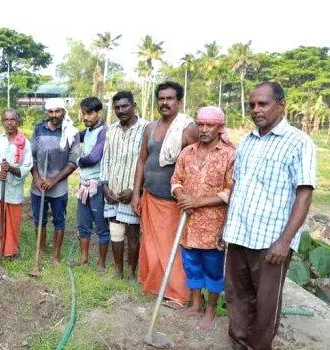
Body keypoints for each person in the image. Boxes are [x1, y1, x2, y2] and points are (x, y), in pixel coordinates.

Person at [223, 82, 316, 349]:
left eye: (263, 104)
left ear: (281, 105)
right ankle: (238, 342)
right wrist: (226, 227)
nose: (256, 110)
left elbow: (304, 194)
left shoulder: (299, 142)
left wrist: (285, 241)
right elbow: (237, 187)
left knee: (266, 303)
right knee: (237, 295)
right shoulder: (247, 142)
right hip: (239, 234)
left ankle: (258, 346)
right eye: (252, 105)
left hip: (271, 240)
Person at [131, 81, 197, 309]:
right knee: (150, 243)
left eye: (170, 99)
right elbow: (141, 161)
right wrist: (136, 194)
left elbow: (196, 164)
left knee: (172, 247)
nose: (165, 103)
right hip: (150, 196)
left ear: (179, 102)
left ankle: (178, 294)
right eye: (161, 99)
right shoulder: (149, 128)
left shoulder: (188, 129)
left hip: (173, 201)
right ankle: (155, 285)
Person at [171, 106, 235, 330]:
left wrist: (198, 202)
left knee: (213, 268)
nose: (204, 129)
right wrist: (181, 195)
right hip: (187, 224)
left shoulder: (230, 155)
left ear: (220, 127)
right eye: (201, 124)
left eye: (210, 125)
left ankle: (211, 310)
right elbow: (176, 180)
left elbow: (231, 191)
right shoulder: (187, 152)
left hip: (214, 226)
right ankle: (197, 303)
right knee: (191, 264)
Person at [100, 91, 148, 279]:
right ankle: (119, 270)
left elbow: (148, 161)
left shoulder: (146, 129)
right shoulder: (111, 130)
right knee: (115, 231)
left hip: (132, 192)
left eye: (124, 106)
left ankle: (132, 271)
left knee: (133, 234)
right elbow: (106, 160)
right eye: (117, 107)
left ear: (133, 105)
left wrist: (137, 190)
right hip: (112, 190)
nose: (121, 110)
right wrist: (105, 187)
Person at [30, 98, 80, 265]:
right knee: (39, 219)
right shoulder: (38, 129)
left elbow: (73, 162)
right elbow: (31, 157)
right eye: (51, 112)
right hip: (38, 186)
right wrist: (37, 178)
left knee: (59, 220)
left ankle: (55, 256)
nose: (54, 115)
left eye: (57, 111)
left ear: (64, 112)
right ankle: (41, 250)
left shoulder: (72, 132)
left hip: (59, 186)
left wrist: (53, 180)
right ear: (47, 113)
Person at [0, 109, 33, 257]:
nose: (9, 123)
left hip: (14, 190)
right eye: (6, 120)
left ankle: (10, 251)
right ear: (2, 121)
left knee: (12, 223)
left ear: (18, 121)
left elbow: (26, 167)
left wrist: (11, 169)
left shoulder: (25, 143)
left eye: (12, 119)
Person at [76, 97, 109, 268]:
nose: (85, 117)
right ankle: (83, 258)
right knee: (83, 222)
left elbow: (94, 157)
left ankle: (102, 262)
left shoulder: (104, 131)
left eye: (89, 113)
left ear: (99, 113)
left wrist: (77, 161)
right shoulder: (87, 132)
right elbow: (74, 137)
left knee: (101, 225)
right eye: (83, 113)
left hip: (98, 185)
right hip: (83, 184)